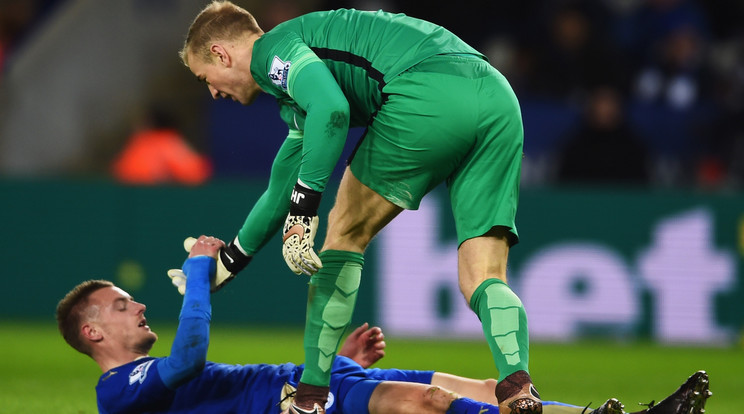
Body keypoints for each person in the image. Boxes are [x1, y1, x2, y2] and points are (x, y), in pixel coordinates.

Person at [178, 3, 536, 413]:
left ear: (222, 54)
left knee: (344, 235)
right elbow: (282, 183)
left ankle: (310, 397)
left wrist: (304, 210)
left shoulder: (272, 53)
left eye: (205, 77)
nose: (212, 92)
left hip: (426, 93)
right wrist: (232, 259)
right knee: (483, 274)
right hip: (495, 94)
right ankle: (516, 386)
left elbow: (333, 109)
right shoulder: (296, 84)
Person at [55, 235, 711, 414]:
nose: (136, 306)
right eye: (120, 305)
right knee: (432, 402)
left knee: (493, 388)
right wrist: (200, 275)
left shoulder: (140, 378)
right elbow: (193, 357)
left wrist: (339, 364)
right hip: (296, 408)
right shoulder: (117, 393)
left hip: (315, 386)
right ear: (92, 334)